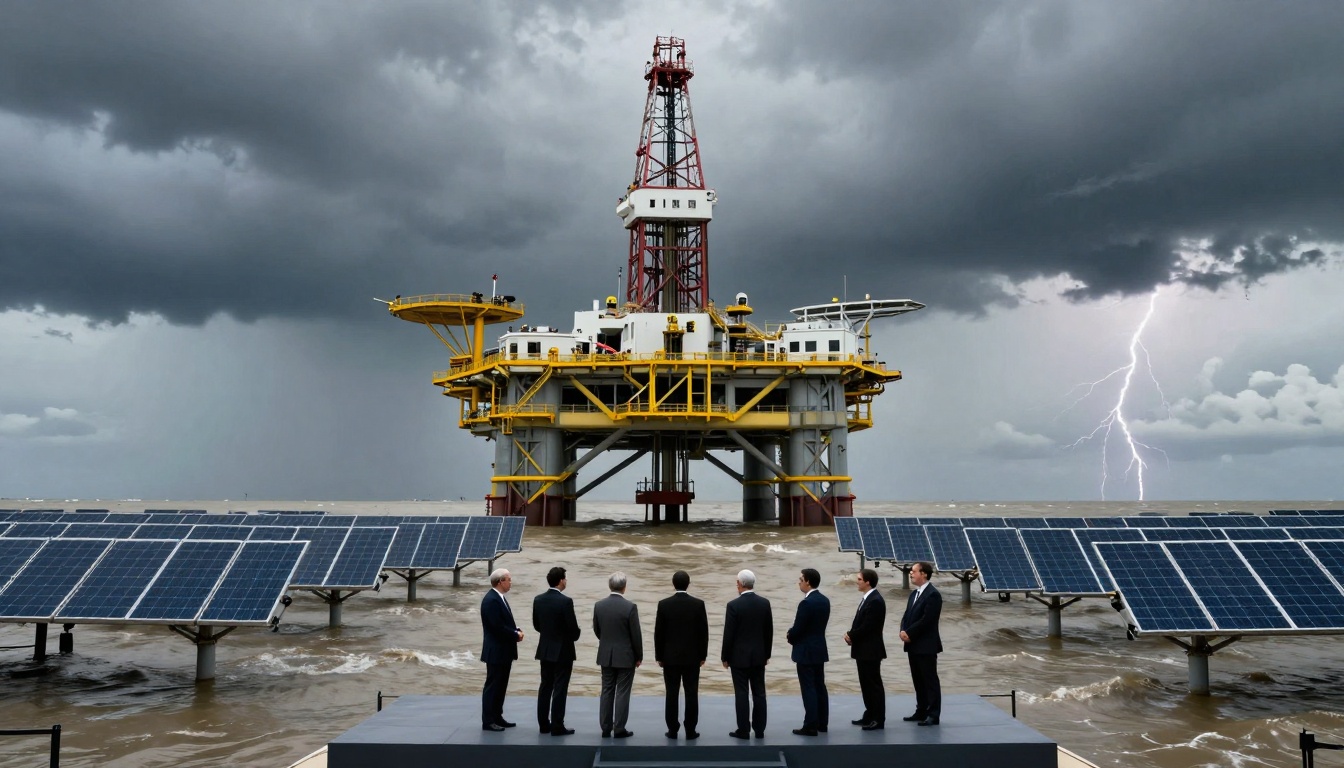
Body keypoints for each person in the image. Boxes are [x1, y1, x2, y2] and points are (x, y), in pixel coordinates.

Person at [654, 570, 709, 739]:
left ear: (673, 583)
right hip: (692, 657)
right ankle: (690, 730)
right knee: (691, 693)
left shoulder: (664, 604)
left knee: (672, 693)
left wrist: (659, 657)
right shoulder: (698, 604)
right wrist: (702, 656)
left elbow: (659, 633)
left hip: (670, 658)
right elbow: (703, 633)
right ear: (688, 583)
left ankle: (672, 729)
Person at [721, 569, 772, 739]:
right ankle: (760, 730)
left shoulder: (733, 605)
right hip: (759, 656)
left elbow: (729, 634)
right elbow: (768, 632)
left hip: (739, 657)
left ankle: (743, 730)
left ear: (740, 584)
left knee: (741, 693)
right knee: (759, 692)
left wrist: (725, 657)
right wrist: (767, 655)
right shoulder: (765, 603)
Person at [533, 566, 581, 736]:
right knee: (560, 688)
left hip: (545, 649)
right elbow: (573, 628)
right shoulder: (565, 601)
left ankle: (543, 724)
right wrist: (575, 636)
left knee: (545, 686)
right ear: (561, 580)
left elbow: (536, 625)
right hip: (563, 651)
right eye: (565, 578)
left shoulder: (538, 599)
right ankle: (557, 725)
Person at [593, 571, 642, 738]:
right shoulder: (630, 607)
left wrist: (607, 643)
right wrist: (638, 656)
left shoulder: (599, 605)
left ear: (609, 586)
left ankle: (605, 728)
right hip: (626, 656)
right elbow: (636, 635)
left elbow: (597, 630)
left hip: (606, 654)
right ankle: (619, 728)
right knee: (622, 691)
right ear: (624, 587)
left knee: (606, 690)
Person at [786, 567, 830, 736]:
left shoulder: (806, 603)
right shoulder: (824, 600)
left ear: (808, 582)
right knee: (820, 686)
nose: (799, 582)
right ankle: (822, 723)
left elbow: (799, 628)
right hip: (819, 648)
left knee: (808, 688)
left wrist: (790, 635)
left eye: (801, 579)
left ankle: (810, 724)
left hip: (805, 651)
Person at [900, 561, 944, 726]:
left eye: (914, 571)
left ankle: (933, 714)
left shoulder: (933, 595)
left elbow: (927, 620)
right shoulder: (914, 594)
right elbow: (907, 615)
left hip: (926, 644)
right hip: (912, 644)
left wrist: (909, 633)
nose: (911, 574)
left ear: (924, 573)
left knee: (929, 680)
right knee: (917, 679)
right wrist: (903, 630)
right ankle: (921, 710)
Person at [480, 568, 523, 731]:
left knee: (501, 685)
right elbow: (496, 627)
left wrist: (516, 629)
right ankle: (488, 720)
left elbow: (503, 622)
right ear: (500, 581)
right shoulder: (491, 600)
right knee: (493, 685)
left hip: (503, 650)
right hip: (496, 651)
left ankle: (497, 716)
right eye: (509, 579)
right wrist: (515, 634)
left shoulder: (499, 598)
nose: (511, 582)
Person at [843, 567, 886, 730]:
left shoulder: (875, 600)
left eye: (859, 579)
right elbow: (861, 623)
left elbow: (869, 626)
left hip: (871, 650)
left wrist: (851, 635)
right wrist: (852, 635)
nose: (857, 582)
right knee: (865, 684)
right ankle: (869, 714)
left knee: (873, 685)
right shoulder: (867, 598)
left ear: (868, 582)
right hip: (863, 649)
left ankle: (878, 718)